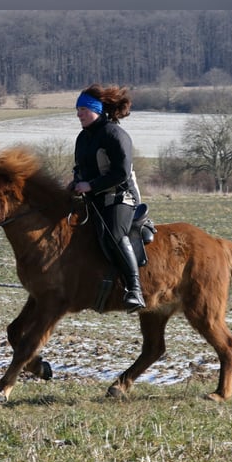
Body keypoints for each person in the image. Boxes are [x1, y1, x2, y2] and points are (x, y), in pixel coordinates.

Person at [69, 83, 146, 312]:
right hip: (93, 198)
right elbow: (79, 168)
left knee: (114, 234)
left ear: (97, 109)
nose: (78, 114)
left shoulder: (115, 134)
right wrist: (75, 182)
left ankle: (134, 289)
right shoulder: (82, 138)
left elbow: (121, 173)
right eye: (77, 109)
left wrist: (90, 185)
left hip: (121, 197)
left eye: (83, 109)